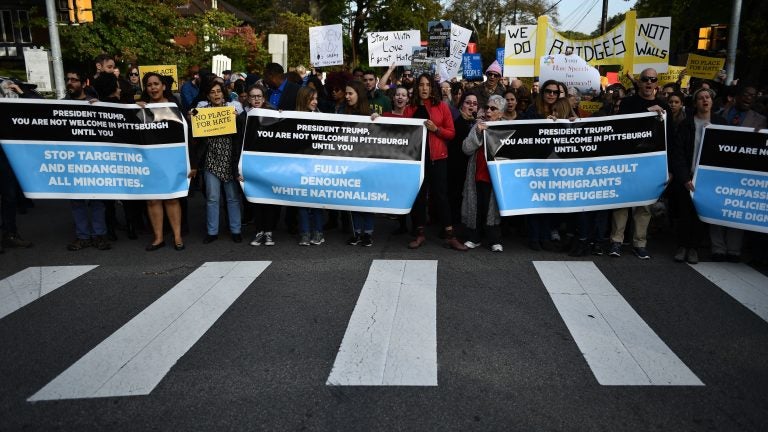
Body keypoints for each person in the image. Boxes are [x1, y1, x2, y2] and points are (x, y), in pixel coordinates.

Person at [608, 68, 670, 260]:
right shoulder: (628, 102)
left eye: (652, 79)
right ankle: (616, 241)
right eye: (645, 79)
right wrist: (646, 112)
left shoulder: (663, 104)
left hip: (650, 163)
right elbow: (622, 126)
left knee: (645, 205)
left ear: (656, 83)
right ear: (640, 82)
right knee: (622, 202)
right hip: (628, 158)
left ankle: (639, 243)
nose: (649, 82)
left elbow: (669, 136)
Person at [404, 73, 465, 251]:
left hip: (438, 158)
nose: (424, 88)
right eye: (421, 85)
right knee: (419, 197)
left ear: (432, 88)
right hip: (417, 159)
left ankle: (449, 234)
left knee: (441, 196)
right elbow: (400, 130)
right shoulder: (410, 108)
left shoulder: (441, 107)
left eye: (427, 85)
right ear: (417, 88)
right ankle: (419, 233)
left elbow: (451, 133)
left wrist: (436, 129)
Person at [139, 72, 195, 251]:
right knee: (153, 200)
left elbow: (188, 137)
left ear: (163, 86)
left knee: (172, 198)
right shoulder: (139, 108)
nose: (153, 88)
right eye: (149, 85)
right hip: (149, 162)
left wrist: (192, 164)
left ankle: (177, 237)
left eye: (156, 84)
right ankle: (158, 237)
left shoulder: (175, 107)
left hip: (172, 161)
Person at [670, 87, 726, 264]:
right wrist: (685, 178)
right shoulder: (687, 124)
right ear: (695, 103)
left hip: (708, 178)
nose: (705, 100)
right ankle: (682, 246)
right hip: (688, 176)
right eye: (701, 98)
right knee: (685, 214)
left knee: (700, 215)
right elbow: (678, 153)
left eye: (707, 97)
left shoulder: (721, 123)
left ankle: (694, 248)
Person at [712, 84, 767, 261]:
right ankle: (718, 247)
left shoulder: (760, 120)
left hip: (743, 172)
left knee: (737, 207)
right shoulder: (720, 114)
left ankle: (734, 250)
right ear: (737, 96)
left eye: (753, 95)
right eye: (745, 94)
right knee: (716, 206)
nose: (749, 98)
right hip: (719, 168)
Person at [196, 80, 244, 244]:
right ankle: (212, 232)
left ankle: (236, 230)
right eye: (212, 92)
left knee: (232, 197)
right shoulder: (201, 112)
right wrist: (192, 118)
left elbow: (243, 130)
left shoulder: (233, 110)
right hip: (211, 159)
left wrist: (237, 119)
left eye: (218, 91)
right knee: (212, 197)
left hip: (230, 159)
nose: (216, 94)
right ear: (208, 95)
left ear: (223, 93)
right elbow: (195, 135)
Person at [461, 94, 505, 252]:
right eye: (487, 107)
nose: (488, 111)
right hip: (477, 175)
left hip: (495, 178)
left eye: (493, 108)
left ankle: (495, 239)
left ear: (501, 113)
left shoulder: (506, 127)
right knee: (476, 208)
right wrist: (478, 132)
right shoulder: (478, 125)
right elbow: (466, 148)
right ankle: (474, 237)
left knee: (492, 210)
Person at [242, 84, 279, 246]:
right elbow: (238, 144)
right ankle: (259, 231)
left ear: (264, 98)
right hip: (251, 164)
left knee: (269, 199)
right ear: (248, 99)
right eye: (253, 96)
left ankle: (269, 232)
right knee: (256, 199)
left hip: (269, 164)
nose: (256, 99)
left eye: (259, 96)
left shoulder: (273, 114)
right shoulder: (242, 118)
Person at [343, 80, 378, 247]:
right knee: (353, 198)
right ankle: (357, 233)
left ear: (359, 95)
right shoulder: (342, 112)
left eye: (350, 93)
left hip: (367, 163)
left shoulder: (370, 113)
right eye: (346, 93)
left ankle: (368, 234)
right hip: (350, 162)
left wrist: (378, 120)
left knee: (366, 198)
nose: (347, 96)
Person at [294, 87, 326, 246]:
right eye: (311, 99)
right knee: (302, 202)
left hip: (317, 165)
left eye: (316, 98)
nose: (315, 102)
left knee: (316, 201)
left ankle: (318, 232)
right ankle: (305, 233)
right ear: (303, 100)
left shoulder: (321, 116)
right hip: (300, 166)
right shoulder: (292, 117)